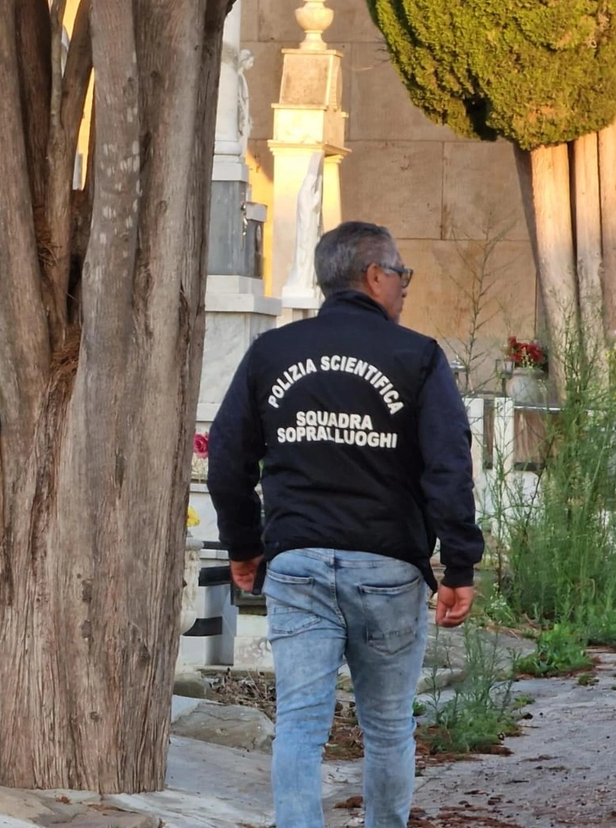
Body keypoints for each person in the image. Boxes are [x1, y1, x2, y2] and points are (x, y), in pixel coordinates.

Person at [207, 221, 484, 828]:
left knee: (301, 726)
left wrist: (244, 546)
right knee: (387, 728)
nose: (406, 286)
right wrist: (459, 564)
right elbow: (447, 464)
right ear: (374, 275)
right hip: (387, 568)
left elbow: (226, 457)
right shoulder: (416, 356)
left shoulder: (272, 353)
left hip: (298, 564)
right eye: (402, 274)